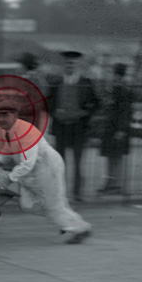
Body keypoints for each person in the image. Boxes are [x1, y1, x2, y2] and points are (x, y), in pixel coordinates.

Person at [0, 100, 92, 244]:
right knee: (28, 205)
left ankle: (81, 228)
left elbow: (27, 163)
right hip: (35, 171)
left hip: (47, 167)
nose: (1, 119)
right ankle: (64, 214)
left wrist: (8, 179)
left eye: (5, 115)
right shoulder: (9, 130)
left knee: (52, 206)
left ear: (14, 115)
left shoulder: (25, 131)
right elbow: (10, 149)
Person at [48, 50, 100, 201]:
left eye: (73, 63)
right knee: (60, 163)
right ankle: (60, 194)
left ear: (78, 65)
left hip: (78, 128)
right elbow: (47, 102)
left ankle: (77, 193)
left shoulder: (85, 82)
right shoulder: (56, 82)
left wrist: (84, 113)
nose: (70, 65)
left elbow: (96, 103)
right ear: (63, 65)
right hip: (61, 127)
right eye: (67, 63)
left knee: (78, 162)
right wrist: (55, 112)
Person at [98, 63, 134, 193]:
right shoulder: (115, 90)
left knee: (116, 157)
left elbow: (125, 112)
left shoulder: (123, 91)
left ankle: (115, 185)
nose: (116, 79)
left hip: (117, 128)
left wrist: (121, 130)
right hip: (112, 128)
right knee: (111, 156)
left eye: (117, 76)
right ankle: (111, 183)